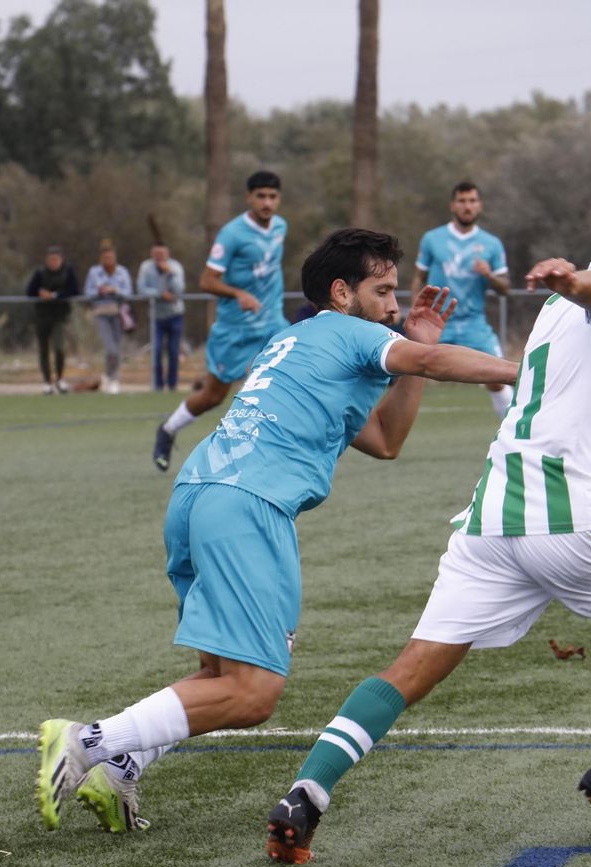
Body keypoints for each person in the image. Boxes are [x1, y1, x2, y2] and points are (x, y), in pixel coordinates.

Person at [261, 193, 591, 863]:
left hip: (490, 523)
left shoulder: (561, 315)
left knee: (411, 668)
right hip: (565, 518)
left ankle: (305, 796)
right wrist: (575, 279)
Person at [34, 228, 521, 833]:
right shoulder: (352, 332)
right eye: (383, 291)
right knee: (254, 692)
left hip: (197, 494)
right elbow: (433, 361)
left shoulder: (296, 340)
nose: (395, 306)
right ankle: (88, 741)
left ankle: (123, 764)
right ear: (341, 293)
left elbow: (384, 440)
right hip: (249, 504)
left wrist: (417, 348)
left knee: (223, 677)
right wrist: (526, 371)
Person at [152, 172, 289, 469]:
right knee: (213, 396)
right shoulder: (232, 234)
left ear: (279, 198)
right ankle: (168, 430)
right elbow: (207, 280)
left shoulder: (280, 227)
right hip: (235, 329)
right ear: (248, 197)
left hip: (272, 323)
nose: (267, 202)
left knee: (285, 379)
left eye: (272, 196)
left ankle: (273, 451)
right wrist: (238, 293)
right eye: (261, 196)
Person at [412, 181, 512, 415]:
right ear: (452, 205)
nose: (467, 206)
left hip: (473, 323)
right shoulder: (432, 239)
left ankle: (516, 432)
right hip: (435, 322)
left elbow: (505, 288)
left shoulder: (491, 244)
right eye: (462, 201)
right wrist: (415, 312)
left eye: (472, 201)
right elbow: (418, 279)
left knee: (499, 378)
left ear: (480, 205)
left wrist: (489, 275)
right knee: (405, 375)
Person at [26, 247, 78, 394]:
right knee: (43, 350)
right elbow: (29, 291)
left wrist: (55, 295)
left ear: (61, 260)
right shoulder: (40, 272)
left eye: (55, 259)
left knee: (59, 348)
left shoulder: (68, 271)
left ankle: (59, 378)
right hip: (42, 316)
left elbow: (74, 290)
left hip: (59, 316)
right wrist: (40, 293)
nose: (52, 262)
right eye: (50, 259)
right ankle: (47, 382)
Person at [83, 241, 132, 393]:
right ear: (100, 259)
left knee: (116, 348)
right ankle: (111, 376)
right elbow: (88, 293)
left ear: (115, 258)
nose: (108, 261)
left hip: (118, 312)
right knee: (111, 349)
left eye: (110, 258)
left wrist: (115, 291)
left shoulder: (122, 272)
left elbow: (129, 293)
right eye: (105, 258)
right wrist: (99, 292)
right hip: (101, 313)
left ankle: (111, 378)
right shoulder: (94, 272)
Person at [139, 243, 186, 392]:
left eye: (162, 254)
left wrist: (169, 273)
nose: (159, 257)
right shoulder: (146, 267)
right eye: (156, 254)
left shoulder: (175, 267)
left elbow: (180, 289)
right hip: (156, 316)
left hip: (175, 314)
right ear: (152, 255)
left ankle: (172, 384)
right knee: (157, 349)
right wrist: (159, 294)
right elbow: (141, 289)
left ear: (167, 254)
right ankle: (157, 385)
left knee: (173, 350)